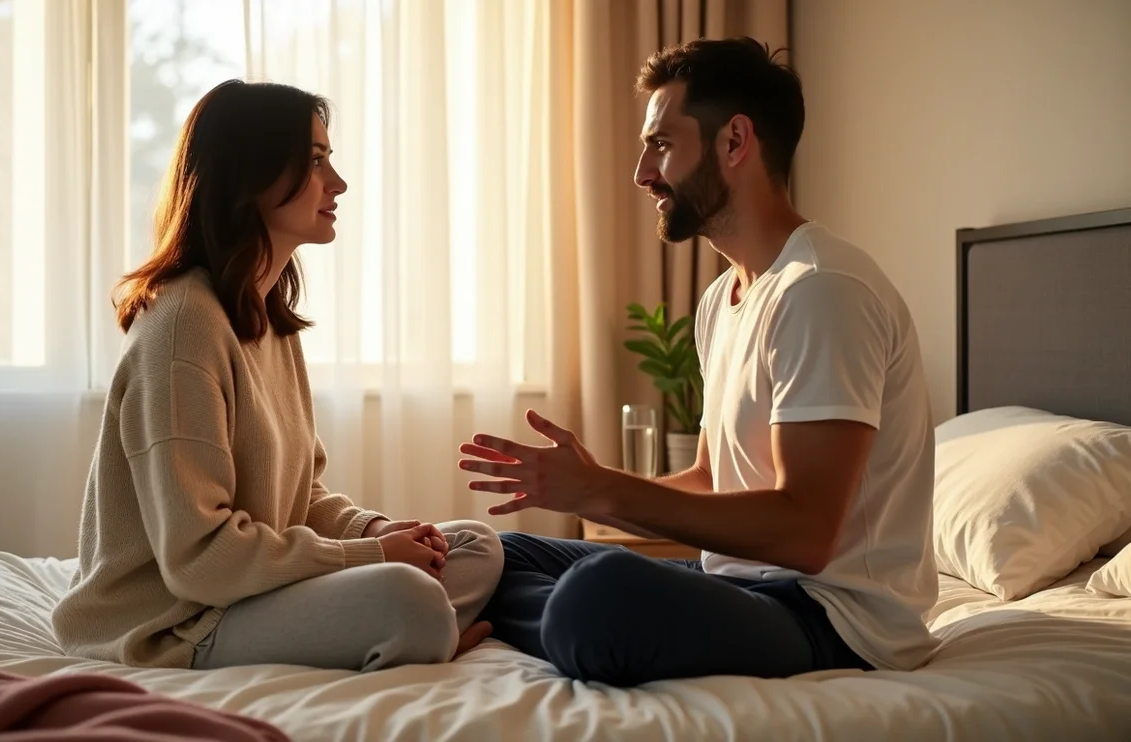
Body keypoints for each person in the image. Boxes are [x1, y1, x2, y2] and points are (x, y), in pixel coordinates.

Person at [462, 38, 940, 687]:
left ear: (734, 141)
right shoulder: (725, 297)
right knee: (492, 554)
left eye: (661, 144)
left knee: (596, 596)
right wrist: (592, 483)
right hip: (740, 584)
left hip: (832, 617)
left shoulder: (824, 290)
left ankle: (570, 626)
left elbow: (806, 534)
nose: (641, 172)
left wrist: (602, 490)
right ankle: (569, 627)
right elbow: (713, 479)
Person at [51, 80, 502, 673]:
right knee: (409, 597)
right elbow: (198, 560)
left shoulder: (266, 319)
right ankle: (421, 632)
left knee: (475, 545)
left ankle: (415, 633)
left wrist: (381, 531)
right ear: (251, 176)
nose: (337, 183)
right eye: (316, 161)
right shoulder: (184, 327)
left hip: (251, 589)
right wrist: (366, 557)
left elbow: (300, 500)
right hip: (182, 620)